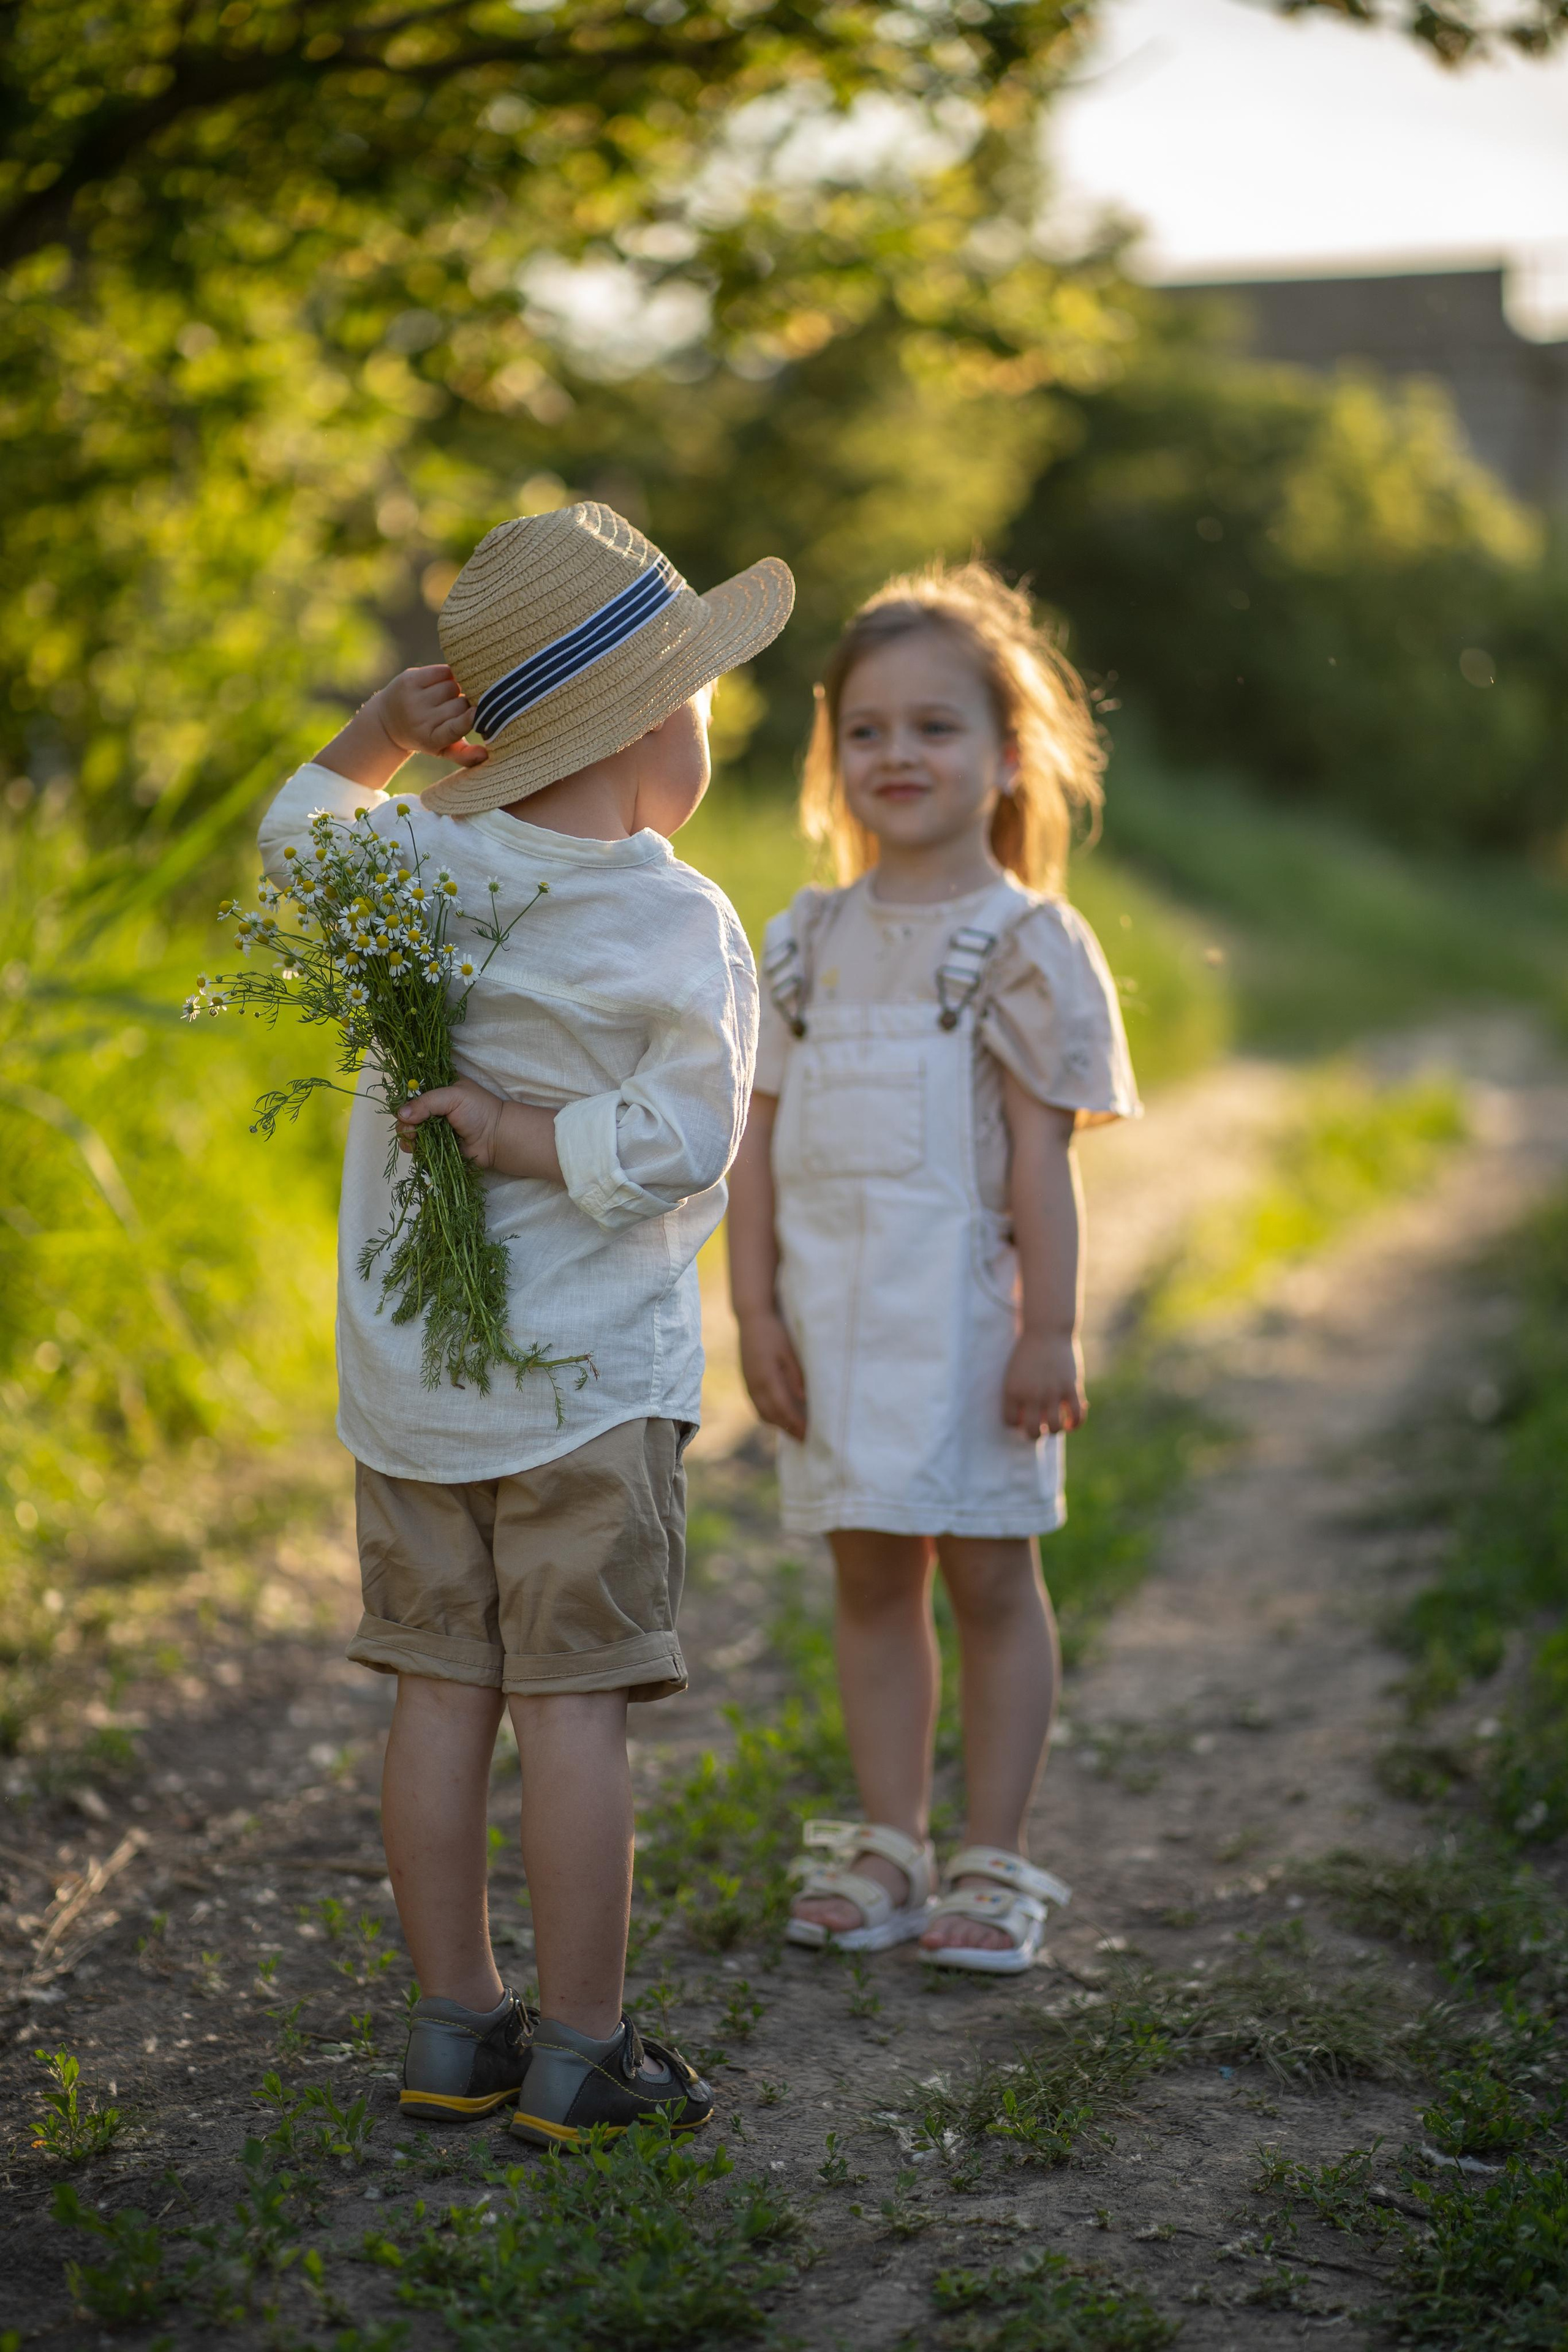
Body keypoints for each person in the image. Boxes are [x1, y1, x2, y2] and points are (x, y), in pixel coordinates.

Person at [257, 503, 793, 2136]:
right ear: (652, 721)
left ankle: (449, 2027)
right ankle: (577, 2050)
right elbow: (689, 1141)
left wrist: (371, 735)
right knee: (570, 1714)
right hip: (586, 1395)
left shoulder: (415, 862)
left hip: (415, 1390)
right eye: (698, 692)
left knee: (439, 1693)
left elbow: (293, 832)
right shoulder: (676, 916)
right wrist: (524, 1135)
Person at [726, 560, 1139, 1974]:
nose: (896, 754)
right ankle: (889, 1837)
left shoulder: (1020, 943)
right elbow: (756, 1148)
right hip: (832, 1324)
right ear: (830, 755)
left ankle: (995, 1855)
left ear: (1006, 754)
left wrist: (1051, 1329)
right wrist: (751, 1312)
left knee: (985, 1573)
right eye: (866, 729)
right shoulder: (802, 941)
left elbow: (1041, 1164)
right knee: (865, 1572)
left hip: (968, 1323)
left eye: (934, 727)